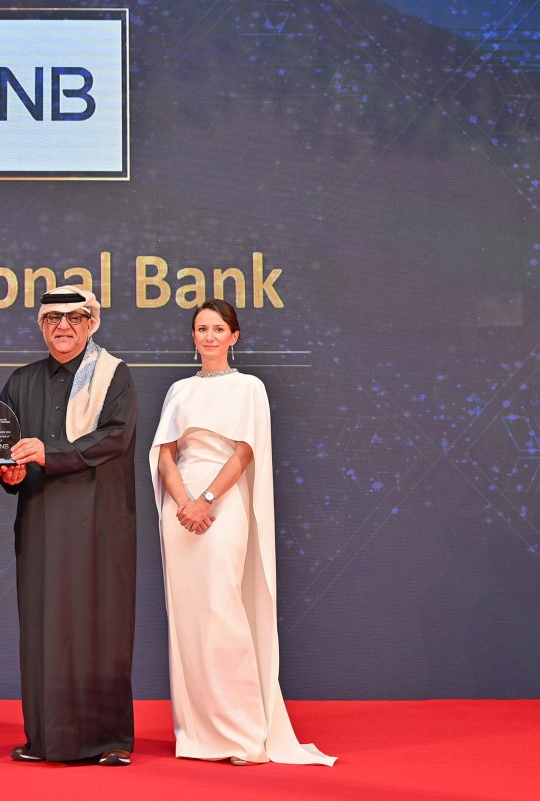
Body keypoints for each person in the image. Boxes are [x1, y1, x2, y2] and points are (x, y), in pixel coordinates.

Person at [149, 299, 335, 767]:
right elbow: (165, 454)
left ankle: (242, 732)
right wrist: (182, 500)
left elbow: (243, 454)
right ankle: (198, 733)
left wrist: (205, 500)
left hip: (221, 505)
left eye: (218, 328)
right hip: (180, 510)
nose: (208, 336)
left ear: (235, 336)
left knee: (222, 607)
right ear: (193, 337)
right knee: (188, 618)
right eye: (201, 329)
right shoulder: (178, 390)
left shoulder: (249, 388)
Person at [0, 286, 138, 766]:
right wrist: (9, 471)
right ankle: (44, 739)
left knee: (101, 623)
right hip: (40, 520)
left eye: (75, 318)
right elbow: (5, 451)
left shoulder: (113, 375)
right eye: (53, 318)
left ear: (91, 324)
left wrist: (48, 453)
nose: (63, 327)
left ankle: (108, 740)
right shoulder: (20, 382)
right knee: (43, 625)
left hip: (98, 519)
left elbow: (115, 438)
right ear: (40, 325)